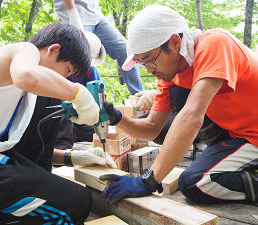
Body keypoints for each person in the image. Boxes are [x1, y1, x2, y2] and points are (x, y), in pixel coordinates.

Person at [0, 21, 116, 225]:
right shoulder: (24, 50)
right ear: (53, 49)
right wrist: (79, 94)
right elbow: (26, 77)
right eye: (67, 70)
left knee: (76, 198)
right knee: (75, 205)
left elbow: (25, 151)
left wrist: (73, 157)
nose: (66, 78)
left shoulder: (25, 95)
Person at [100, 4, 258, 205]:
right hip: (238, 133)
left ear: (175, 42)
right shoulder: (170, 73)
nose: (148, 70)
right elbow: (152, 128)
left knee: (195, 183)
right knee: (178, 94)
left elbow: (192, 116)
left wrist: (150, 179)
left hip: (254, 135)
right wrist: (116, 118)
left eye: (149, 60)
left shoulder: (215, 44)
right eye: (142, 64)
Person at [53, 0, 145, 95]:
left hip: (96, 16)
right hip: (73, 16)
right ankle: (79, 101)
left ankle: (139, 96)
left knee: (125, 51)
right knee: (82, 61)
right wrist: (72, 13)